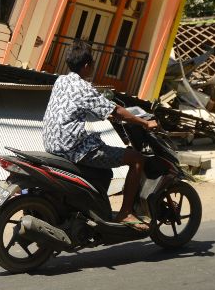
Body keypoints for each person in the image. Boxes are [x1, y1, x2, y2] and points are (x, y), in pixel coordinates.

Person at [42, 39, 158, 231]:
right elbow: (116, 111)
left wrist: (107, 113)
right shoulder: (83, 87)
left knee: (105, 170)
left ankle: (94, 210)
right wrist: (145, 123)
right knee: (137, 159)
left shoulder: (61, 81)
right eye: (93, 63)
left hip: (52, 143)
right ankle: (125, 213)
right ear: (87, 65)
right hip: (73, 148)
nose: (94, 66)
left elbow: (76, 109)